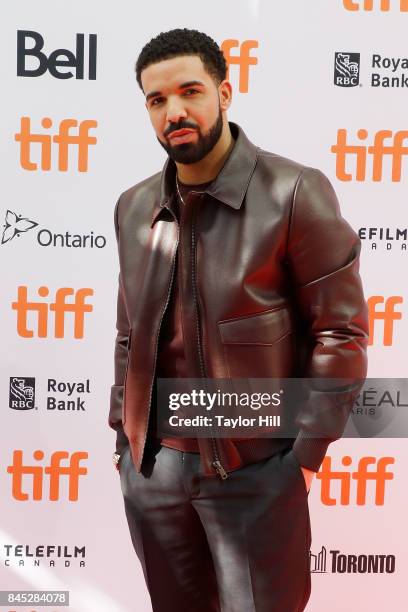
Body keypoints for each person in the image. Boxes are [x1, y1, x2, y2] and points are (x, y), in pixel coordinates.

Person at [109, 28, 368, 612]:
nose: (174, 111)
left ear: (225, 93)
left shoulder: (294, 192)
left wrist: (301, 461)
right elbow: (129, 336)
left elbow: (340, 334)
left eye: (190, 91)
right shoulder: (134, 207)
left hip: (257, 473)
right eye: (156, 100)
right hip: (155, 472)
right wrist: (125, 446)